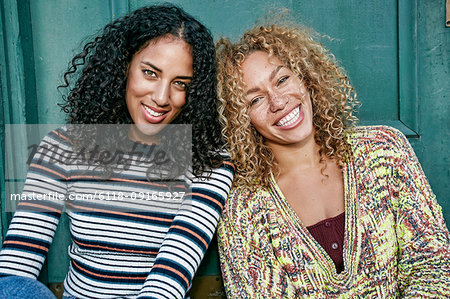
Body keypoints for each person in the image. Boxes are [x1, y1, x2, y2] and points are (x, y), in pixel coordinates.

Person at [0, 4, 234, 299]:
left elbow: (171, 276)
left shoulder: (209, 161)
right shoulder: (61, 146)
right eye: (150, 73)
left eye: (179, 84)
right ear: (125, 64)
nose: (162, 98)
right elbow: (16, 266)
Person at [216, 23, 450, 297]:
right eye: (255, 100)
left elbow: (433, 262)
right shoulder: (242, 207)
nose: (278, 102)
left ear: (306, 78)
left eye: (282, 80)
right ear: (240, 119)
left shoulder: (384, 151)